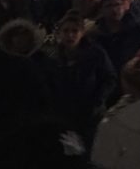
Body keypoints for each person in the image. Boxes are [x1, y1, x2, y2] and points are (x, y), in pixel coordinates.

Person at [44, 11, 116, 143]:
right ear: (59, 33)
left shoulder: (95, 53)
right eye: (66, 31)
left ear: (82, 33)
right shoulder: (54, 56)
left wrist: (97, 101)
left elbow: (109, 78)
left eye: (74, 31)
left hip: (90, 114)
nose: (70, 35)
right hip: (64, 115)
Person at [88, 0, 140, 105]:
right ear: (102, 10)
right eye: (109, 6)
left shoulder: (137, 29)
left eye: (117, 5)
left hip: (132, 87)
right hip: (106, 89)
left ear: (124, 7)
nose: (114, 9)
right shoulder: (95, 34)